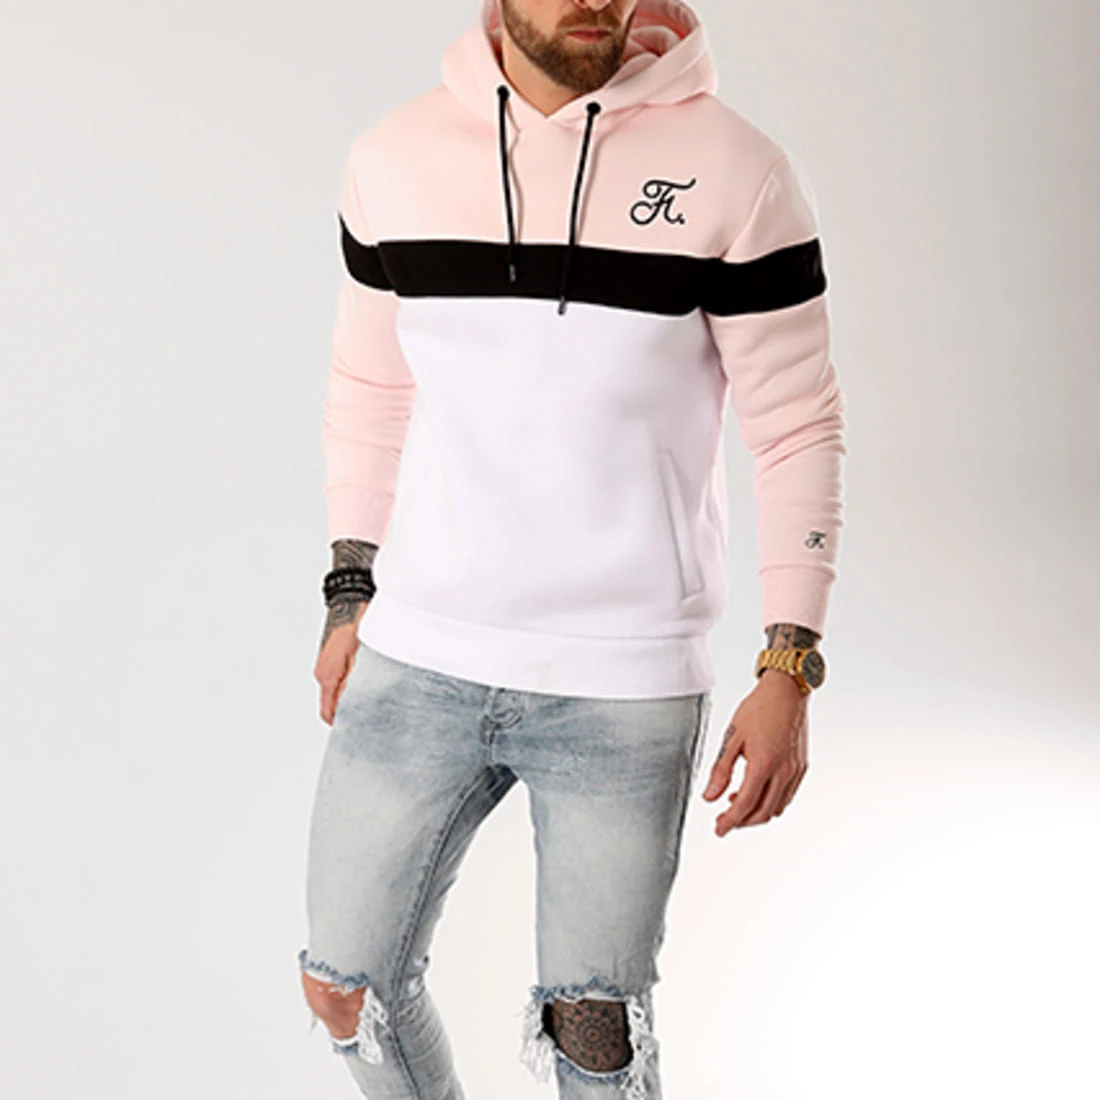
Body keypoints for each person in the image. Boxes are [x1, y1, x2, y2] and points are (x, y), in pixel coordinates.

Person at [297, 0, 847, 1096]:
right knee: (344, 988)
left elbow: (796, 425)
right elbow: (369, 387)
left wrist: (788, 662)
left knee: (592, 1030)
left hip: (624, 679)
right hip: (419, 654)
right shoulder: (393, 158)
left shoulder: (740, 173)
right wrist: (350, 588)